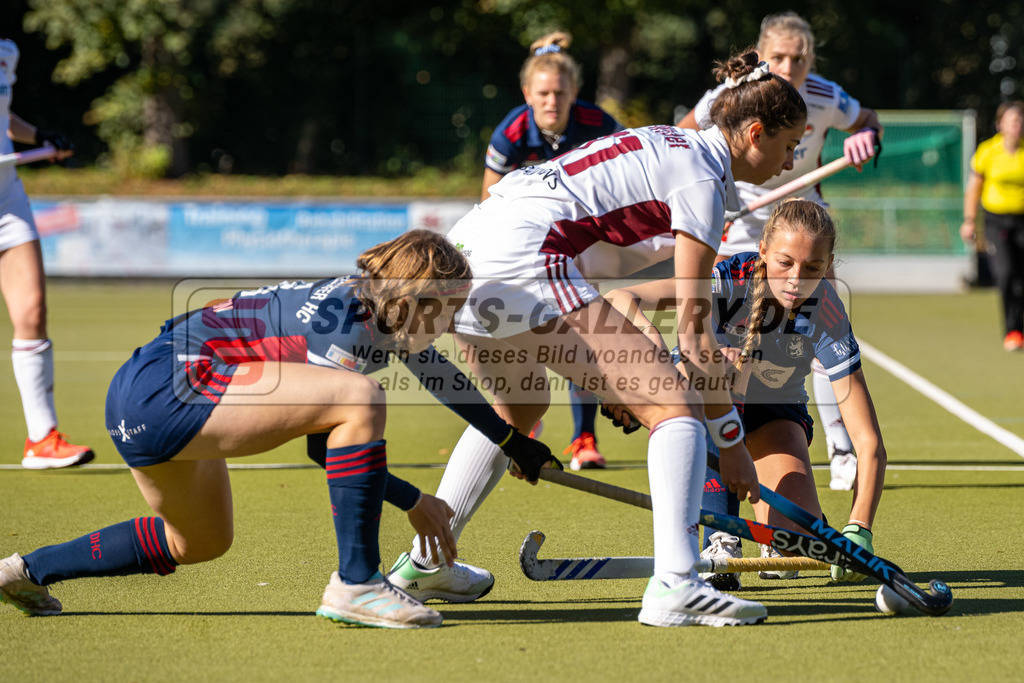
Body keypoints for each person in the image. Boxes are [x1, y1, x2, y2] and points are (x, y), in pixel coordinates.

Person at [385, 51, 807, 628]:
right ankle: (676, 585)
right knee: (674, 406)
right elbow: (696, 336)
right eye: (789, 145)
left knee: (518, 407)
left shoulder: (675, 143)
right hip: (525, 255)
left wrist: (609, 368)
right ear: (754, 133)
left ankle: (427, 562)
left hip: (471, 252)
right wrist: (730, 442)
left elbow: (613, 265)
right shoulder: (706, 183)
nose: (792, 161)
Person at [0, 230, 557, 629]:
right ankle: (357, 583)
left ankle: (25, 570)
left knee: (197, 542)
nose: (452, 323)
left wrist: (513, 442)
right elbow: (325, 445)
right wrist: (415, 500)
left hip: (142, 394)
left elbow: (435, 372)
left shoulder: (377, 307)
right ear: (412, 301)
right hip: (171, 385)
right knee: (359, 396)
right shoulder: (342, 325)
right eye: (447, 309)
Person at [605, 200, 888, 590]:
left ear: (829, 265)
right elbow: (621, 298)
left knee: (796, 549)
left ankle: (771, 536)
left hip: (772, 415)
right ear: (763, 252)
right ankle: (720, 538)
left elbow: (867, 440)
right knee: (715, 366)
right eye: (785, 263)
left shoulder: (828, 311)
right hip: (702, 401)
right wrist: (653, 347)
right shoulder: (727, 279)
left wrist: (860, 527)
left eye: (812, 268)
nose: (796, 281)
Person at [677, 11, 883, 492]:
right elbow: (683, 135)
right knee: (720, 345)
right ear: (762, 57)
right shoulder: (736, 96)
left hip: (805, 237)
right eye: (779, 57)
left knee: (812, 342)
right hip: (741, 233)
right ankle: (722, 468)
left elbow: (868, 121)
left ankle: (838, 447)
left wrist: (865, 138)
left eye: (799, 58)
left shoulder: (827, 96)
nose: (789, 67)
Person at [483, 31, 623, 470]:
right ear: (527, 93)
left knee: (582, 333)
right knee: (523, 328)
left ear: (574, 92)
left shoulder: (600, 125)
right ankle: (525, 418)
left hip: (581, 239)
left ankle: (583, 439)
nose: (551, 101)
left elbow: (631, 175)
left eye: (559, 93)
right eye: (542, 93)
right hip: (524, 248)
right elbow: (489, 199)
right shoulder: (511, 132)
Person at [1, 38, 92, 469]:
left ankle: (41, 440)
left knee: (32, 312)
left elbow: (4, 117)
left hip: (6, 199)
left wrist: (37, 136)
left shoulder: (7, 50)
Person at [961, 100, 1024, 352]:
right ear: (1001, 124)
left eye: (1020, 121)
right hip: (996, 220)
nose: (1017, 126)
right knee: (1007, 273)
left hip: (1023, 220)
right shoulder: (988, 151)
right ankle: (1013, 330)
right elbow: (974, 189)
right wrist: (969, 220)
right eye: (1012, 121)